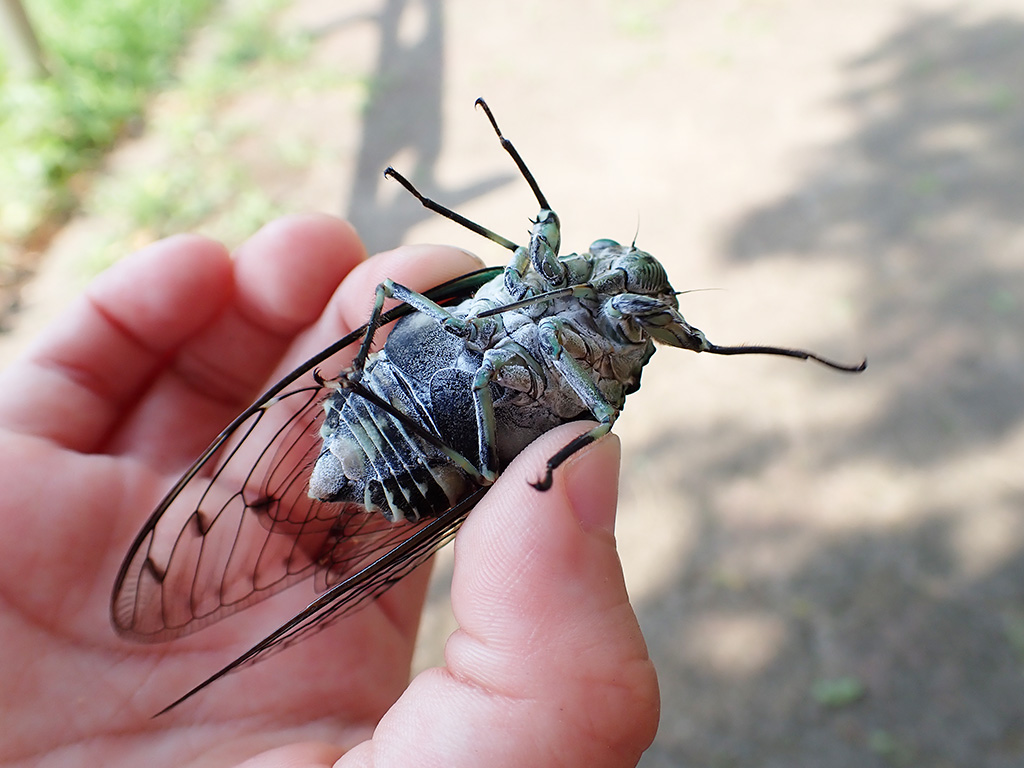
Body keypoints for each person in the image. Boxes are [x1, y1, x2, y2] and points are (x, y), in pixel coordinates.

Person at [0, 214, 659, 767]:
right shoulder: (544, 275)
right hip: (390, 401)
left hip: (435, 441)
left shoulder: (594, 370)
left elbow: (585, 415)